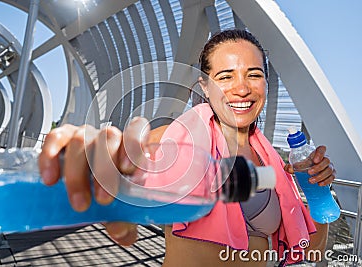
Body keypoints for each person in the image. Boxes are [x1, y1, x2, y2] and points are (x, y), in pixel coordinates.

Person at [38, 29, 336, 266]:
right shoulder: (178, 141)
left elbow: (313, 251)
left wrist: (319, 192)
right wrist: (98, 159)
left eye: (254, 75)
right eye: (225, 76)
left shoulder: (275, 166)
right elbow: (132, 163)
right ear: (205, 87)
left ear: (266, 84)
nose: (242, 88)